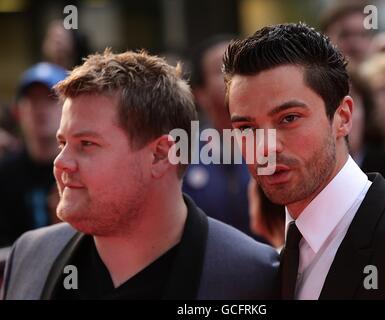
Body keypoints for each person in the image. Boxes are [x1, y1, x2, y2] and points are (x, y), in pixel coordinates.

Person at [1, 50, 278, 300]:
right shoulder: (30, 258)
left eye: (86, 144)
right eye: (63, 144)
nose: (61, 163)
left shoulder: (251, 276)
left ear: (160, 154)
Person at [223, 22, 385, 299]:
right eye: (247, 128)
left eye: (289, 119)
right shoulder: (268, 261)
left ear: (343, 117)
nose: (266, 147)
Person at [183, 35, 253, 238]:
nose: (238, 74)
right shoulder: (182, 155)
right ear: (200, 94)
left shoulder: (275, 144)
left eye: (243, 65)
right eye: (223, 68)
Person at [0, 63, 67, 248]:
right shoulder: (5, 173)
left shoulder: (83, 169)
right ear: (17, 111)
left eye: (51, 98)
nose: (41, 108)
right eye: (32, 99)